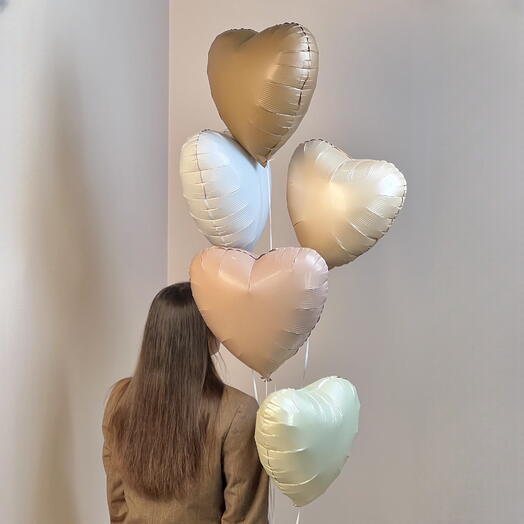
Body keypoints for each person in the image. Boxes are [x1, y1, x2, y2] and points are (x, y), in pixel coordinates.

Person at [102, 282, 268, 523]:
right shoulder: (238, 411)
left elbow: (117, 502)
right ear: (202, 332)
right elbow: (245, 517)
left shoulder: (120, 398)